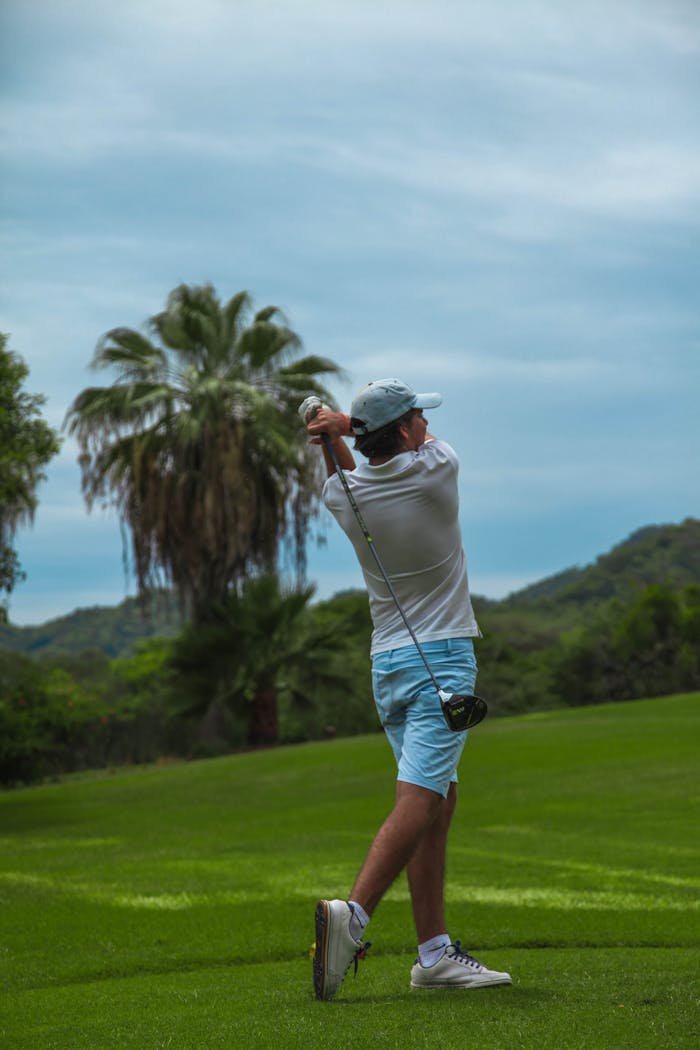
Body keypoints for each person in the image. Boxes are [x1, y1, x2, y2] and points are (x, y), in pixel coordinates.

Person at [304, 378, 512, 1001]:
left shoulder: (342, 495)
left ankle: (434, 953)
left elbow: (348, 474)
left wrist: (328, 432)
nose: (425, 421)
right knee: (420, 799)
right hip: (442, 662)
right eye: (416, 415)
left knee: (439, 801)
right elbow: (387, 450)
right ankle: (354, 917)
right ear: (403, 430)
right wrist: (337, 425)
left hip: (389, 666)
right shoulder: (436, 471)